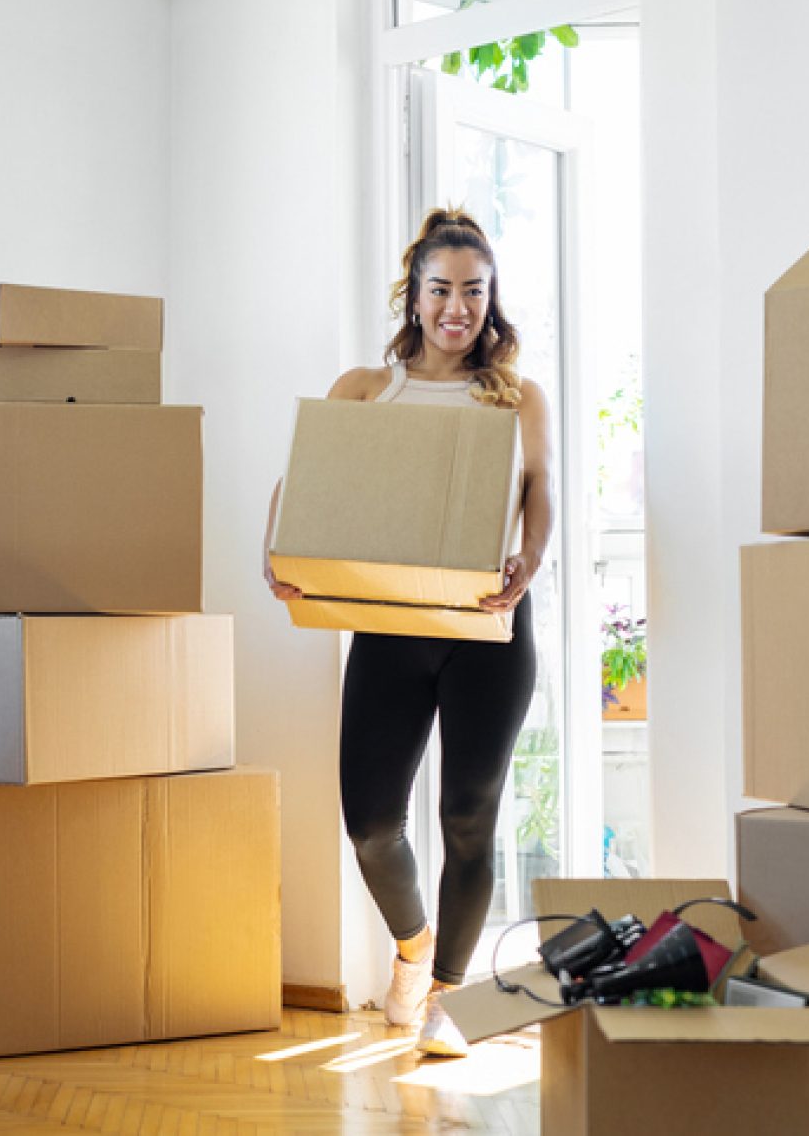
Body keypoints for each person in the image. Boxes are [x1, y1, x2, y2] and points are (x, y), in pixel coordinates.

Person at [262, 207, 554, 1056]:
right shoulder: (366, 387)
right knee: (371, 824)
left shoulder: (515, 394)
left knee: (468, 817)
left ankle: (450, 1000)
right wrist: (277, 554)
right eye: (441, 290)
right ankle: (414, 950)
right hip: (388, 625)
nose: (457, 307)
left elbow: (542, 489)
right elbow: (302, 481)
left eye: (473, 290)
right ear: (415, 298)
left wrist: (528, 561)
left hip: (485, 623)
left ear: (489, 299)